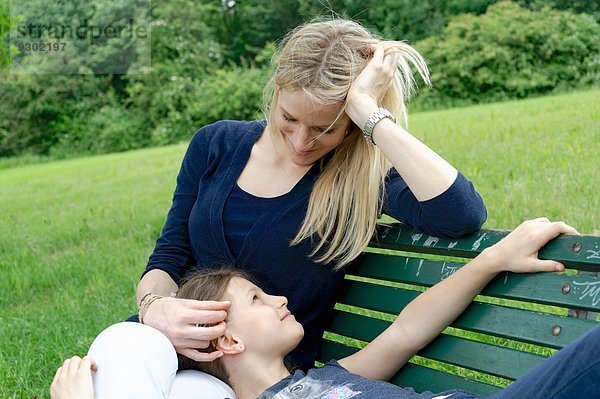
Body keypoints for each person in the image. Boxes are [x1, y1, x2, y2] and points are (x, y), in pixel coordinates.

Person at [131, 17, 487, 397]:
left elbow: (461, 214)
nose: (302, 142)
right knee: (116, 349)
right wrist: (153, 308)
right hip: (173, 355)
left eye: (326, 128)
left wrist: (368, 111)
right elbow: (168, 257)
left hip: (267, 384)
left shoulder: (359, 175)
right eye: (289, 118)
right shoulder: (215, 144)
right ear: (277, 90)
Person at [51, 218, 600, 399]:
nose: (281, 299)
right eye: (258, 300)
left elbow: (406, 332)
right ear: (226, 340)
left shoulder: (326, 379)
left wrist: (495, 258)